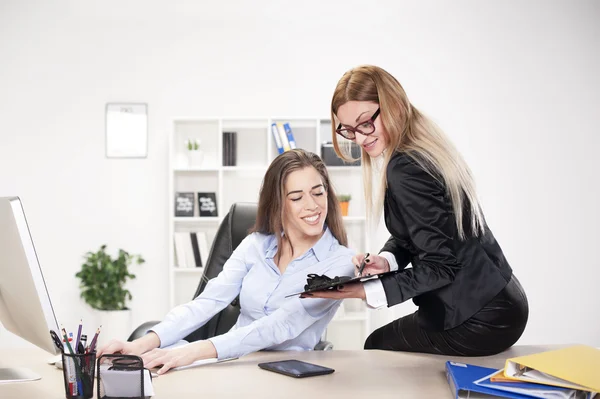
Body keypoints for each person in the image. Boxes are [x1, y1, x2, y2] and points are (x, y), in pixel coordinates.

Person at [306, 65, 528, 357]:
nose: (359, 138)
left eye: (365, 123)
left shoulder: (406, 167)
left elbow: (440, 267)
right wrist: (386, 262)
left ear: (393, 105)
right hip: (501, 298)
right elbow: (421, 234)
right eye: (348, 130)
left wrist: (363, 290)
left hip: (481, 315)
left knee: (377, 347)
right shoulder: (420, 149)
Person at [99, 149, 354, 374]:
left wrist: (195, 352)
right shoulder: (256, 245)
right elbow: (209, 301)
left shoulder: (340, 264)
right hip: (230, 363)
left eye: (318, 193)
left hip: (285, 374)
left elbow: (279, 326)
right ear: (279, 205)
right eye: (297, 198)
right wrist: (138, 345)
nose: (313, 206)